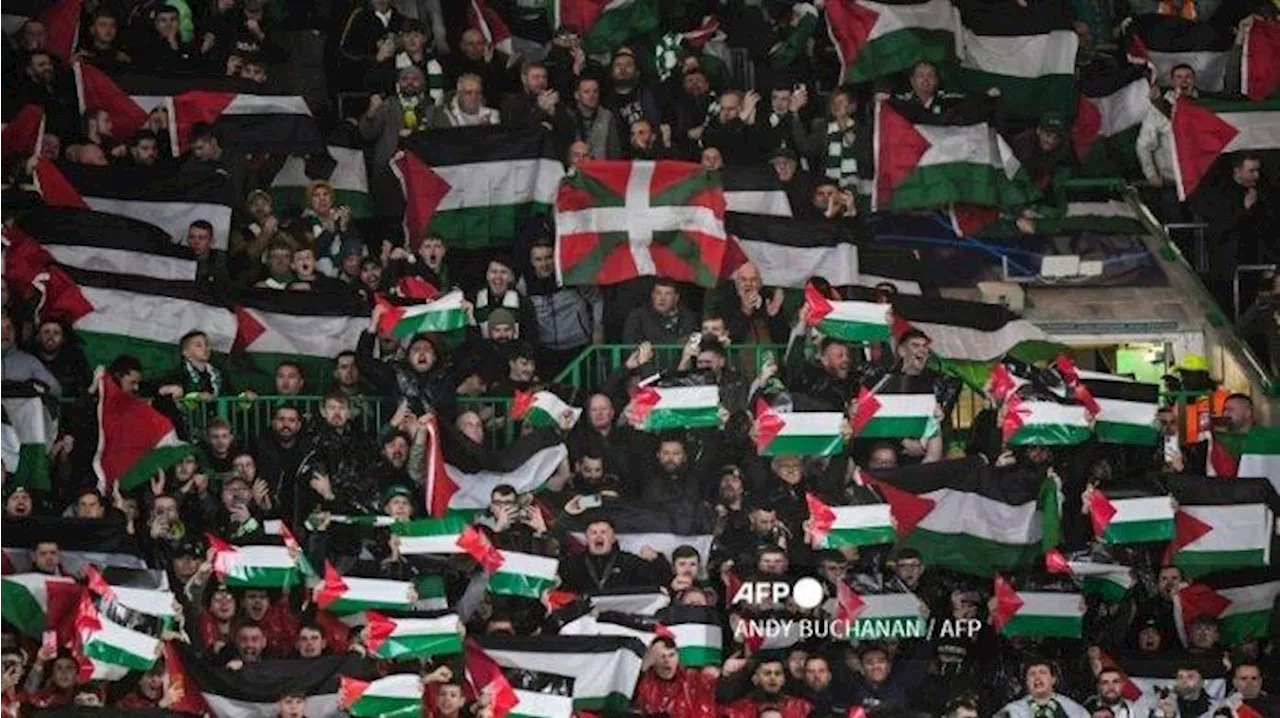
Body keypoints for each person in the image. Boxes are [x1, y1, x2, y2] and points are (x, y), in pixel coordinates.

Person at [1193, 153, 1271, 313]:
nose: (1256, 175)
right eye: (1251, 171)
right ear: (1238, 170)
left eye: (1257, 170)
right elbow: (1220, 226)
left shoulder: (1261, 192)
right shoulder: (1220, 193)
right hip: (1228, 263)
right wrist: (1245, 208)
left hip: (1254, 262)